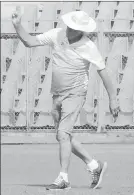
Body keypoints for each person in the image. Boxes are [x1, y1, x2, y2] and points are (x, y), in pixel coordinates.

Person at [12, 10, 120, 191]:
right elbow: (30, 42)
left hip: (76, 93)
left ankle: (63, 179)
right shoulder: (57, 34)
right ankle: (94, 165)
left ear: (82, 31)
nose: (70, 30)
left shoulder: (88, 46)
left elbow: (104, 72)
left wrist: (113, 98)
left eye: (74, 28)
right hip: (57, 93)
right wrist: (17, 25)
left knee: (63, 134)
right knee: (64, 135)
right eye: (70, 26)